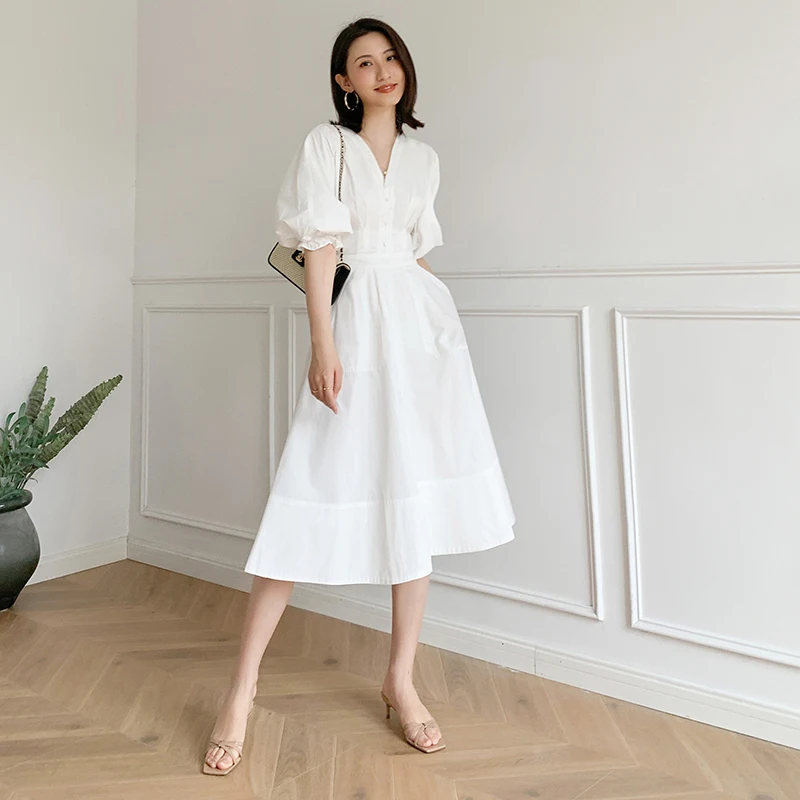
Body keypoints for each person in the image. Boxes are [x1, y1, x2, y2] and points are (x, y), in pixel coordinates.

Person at [203, 16, 515, 776]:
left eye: (389, 57)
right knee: (304, 493)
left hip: (421, 333)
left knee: (417, 500)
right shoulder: (327, 145)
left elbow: (415, 255)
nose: (382, 70)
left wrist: (447, 331)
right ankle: (240, 692)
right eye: (364, 63)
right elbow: (321, 247)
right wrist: (323, 344)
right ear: (344, 82)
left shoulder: (425, 159)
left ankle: (401, 680)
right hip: (355, 329)